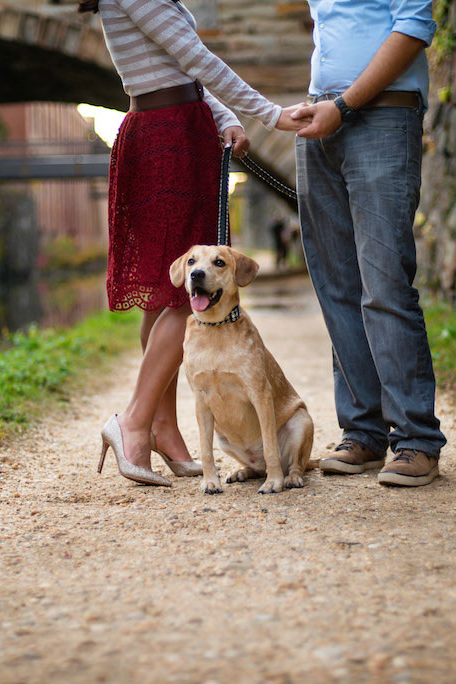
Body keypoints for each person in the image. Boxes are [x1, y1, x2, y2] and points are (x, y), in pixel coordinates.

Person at [83, 0, 304, 486]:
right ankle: (134, 422)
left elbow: (183, 68)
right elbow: (197, 58)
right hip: (169, 143)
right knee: (192, 291)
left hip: (175, 130)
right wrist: (271, 114)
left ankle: (164, 429)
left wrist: (223, 115)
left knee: (164, 298)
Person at [290, 0, 447, 486]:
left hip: (380, 118)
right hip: (322, 121)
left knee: (384, 284)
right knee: (337, 286)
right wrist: (322, 103)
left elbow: (415, 27)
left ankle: (417, 440)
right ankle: (363, 433)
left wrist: (343, 105)